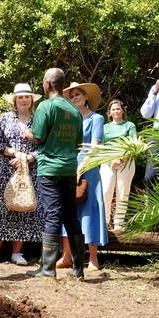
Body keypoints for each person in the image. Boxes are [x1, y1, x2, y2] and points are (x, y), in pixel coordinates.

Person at [22, 68, 84, 279]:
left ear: (48, 84)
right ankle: (79, 269)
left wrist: (27, 133)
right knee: (71, 215)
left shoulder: (45, 107)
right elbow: (78, 143)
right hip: (69, 168)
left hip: (49, 168)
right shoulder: (74, 110)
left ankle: (47, 268)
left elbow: (38, 137)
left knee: (52, 214)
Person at [0, 83, 43, 265]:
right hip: (6, 170)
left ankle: (17, 253)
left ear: (31, 100)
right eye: (20, 97)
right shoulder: (4, 118)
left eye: (27, 96)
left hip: (29, 170)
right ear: (15, 100)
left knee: (24, 206)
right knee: (1, 207)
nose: (24, 99)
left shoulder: (39, 119)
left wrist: (28, 158)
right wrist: (16, 154)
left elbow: (45, 145)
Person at [54, 82, 108, 271]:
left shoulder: (96, 119)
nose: (74, 97)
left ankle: (93, 259)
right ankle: (66, 256)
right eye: (72, 95)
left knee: (90, 210)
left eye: (78, 94)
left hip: (90, 168)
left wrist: (81, 168)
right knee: (68, 210)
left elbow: (95, 147)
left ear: (86, 97)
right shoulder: (68, 118)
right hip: (69, 166)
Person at [100, 99, 137, 231]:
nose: (116, 111)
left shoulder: (130, 126)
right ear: (109, 113)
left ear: (122, 111)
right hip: (107, 161)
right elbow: (101, 146)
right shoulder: (105, 127)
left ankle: (118, 225)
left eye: (118, 108)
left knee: (123, 191)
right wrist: (111, 160)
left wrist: (121, 159)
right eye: (113, 109)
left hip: (126, 161)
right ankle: (104, 223)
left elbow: (134, 145)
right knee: (106, 190)